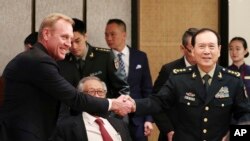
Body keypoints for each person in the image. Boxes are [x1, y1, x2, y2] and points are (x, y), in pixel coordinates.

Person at [0, 13, 133, 141]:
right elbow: (73, 97)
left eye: (71, 39)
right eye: (64, 37)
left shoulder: (38, 57)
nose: (69, 44)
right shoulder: (39, 60)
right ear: (46, 34)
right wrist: (113, 103)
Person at [128, 28, 250, 141]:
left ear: (219, 50)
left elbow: (245, 115)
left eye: (211, 47)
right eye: (201, 46)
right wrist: (133, 105)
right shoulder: (179, 78)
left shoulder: (233, 80)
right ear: (193, 50)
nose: (207, 51)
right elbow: (157, 102)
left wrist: (232, 137)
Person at [105, 18, 154, 141]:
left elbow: (147, 89)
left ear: (124, 35)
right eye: (106, 34)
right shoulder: (103, 57)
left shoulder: (140, 56)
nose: (109, 38)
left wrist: (148, 119)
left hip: (138, 118)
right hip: (113, 117)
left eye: (112, 34)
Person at [52, 76, 132, 141]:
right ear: (81, 96)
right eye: (91, 92)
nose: (97, 96)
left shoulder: (121, 124)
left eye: (100, 92)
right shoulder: (66, 127)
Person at [152, 28, 198, 141]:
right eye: (192, 50)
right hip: (173, 134)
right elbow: (156, 103)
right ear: (182, 49)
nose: (197, 54)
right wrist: (168, 129)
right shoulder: (169, 70)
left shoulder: (209, 70)